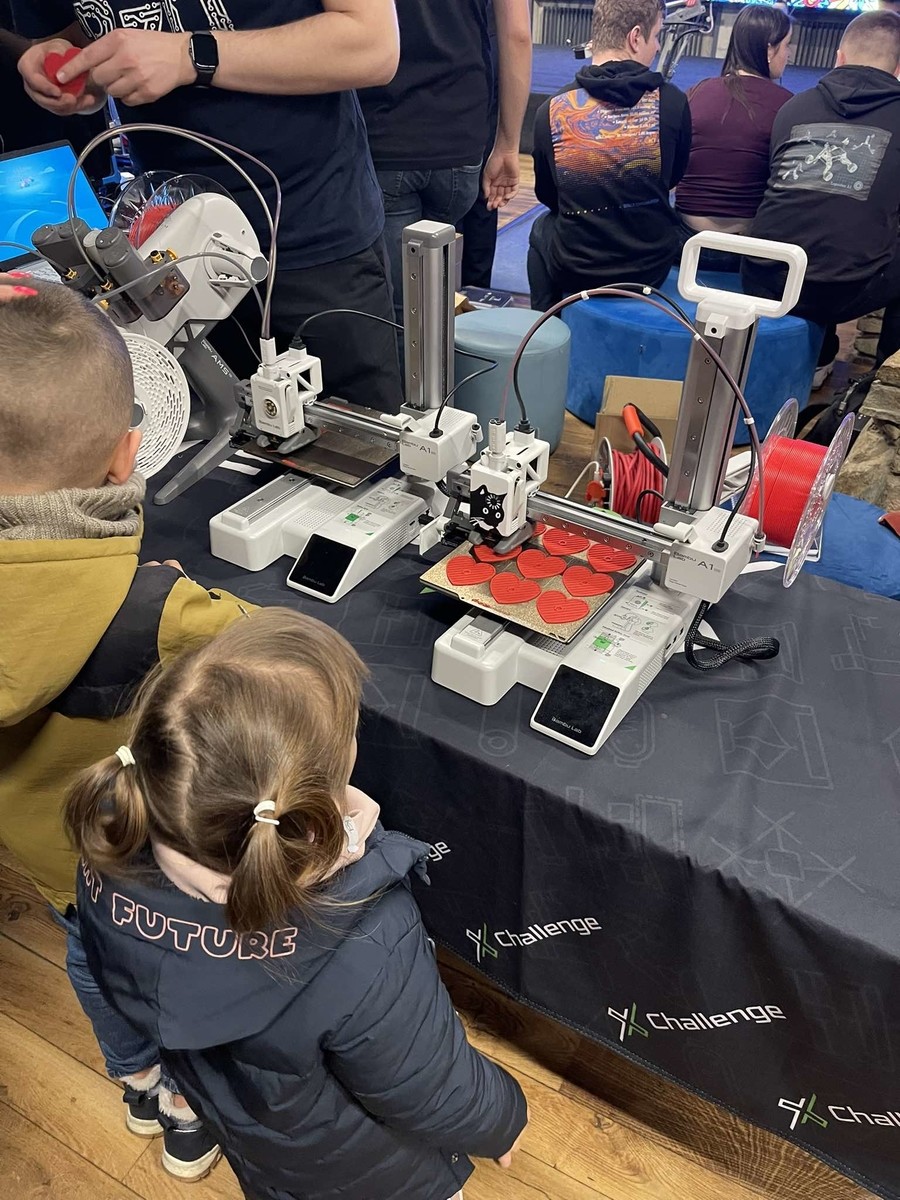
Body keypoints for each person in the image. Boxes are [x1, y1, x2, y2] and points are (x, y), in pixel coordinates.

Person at [64, 607, 529, 1200]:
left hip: (256, 1146)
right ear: (310, 801)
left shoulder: (107, 850)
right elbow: (425, 1083)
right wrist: (500, 1116)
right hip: (371, 1178)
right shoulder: (364, 931)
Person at [0, 280, 254, 1180]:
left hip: (48, 856)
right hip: (145, 859)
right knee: (176, 971)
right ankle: (187, 1109)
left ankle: (138, 1083)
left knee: (91, 959)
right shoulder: (169, 613)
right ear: (128, 455)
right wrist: (175, 600)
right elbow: (272, 661)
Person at [14, 0, 403, 413]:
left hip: (313, 232)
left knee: (361, 440)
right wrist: (69, 67)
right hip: (177, 251)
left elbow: (373, 45)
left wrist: (189, 55)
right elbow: (86, 33)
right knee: (219, 434)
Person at [743, 10, 900, 382]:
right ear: (898, 68)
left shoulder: (793, 106)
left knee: (820, 216)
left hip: (766, 276)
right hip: (842, 292)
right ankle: (882, 379)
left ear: (839, 57)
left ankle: (821, 354)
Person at [359, 0, 532, 322]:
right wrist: (507, 146)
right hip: (461, 139)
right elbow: (517, 35)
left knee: (400, 309)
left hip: (389, 135)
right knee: (434, 292)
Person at [528, 0, 692, 311]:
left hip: (578, 268)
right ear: (635, 37)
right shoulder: (673, 102)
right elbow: (672, 178)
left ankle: (545, 322)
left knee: (540, 228)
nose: (658, 46)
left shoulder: (551, 109)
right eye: (657, 35)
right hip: (650, 268)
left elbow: (548, 196)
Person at [675, 5, 793, 248]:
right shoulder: (788, 106)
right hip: (745, 248)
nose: (789, 54)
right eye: (786, 45)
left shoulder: (696, 92)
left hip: (684, 241)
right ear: (769, 49)